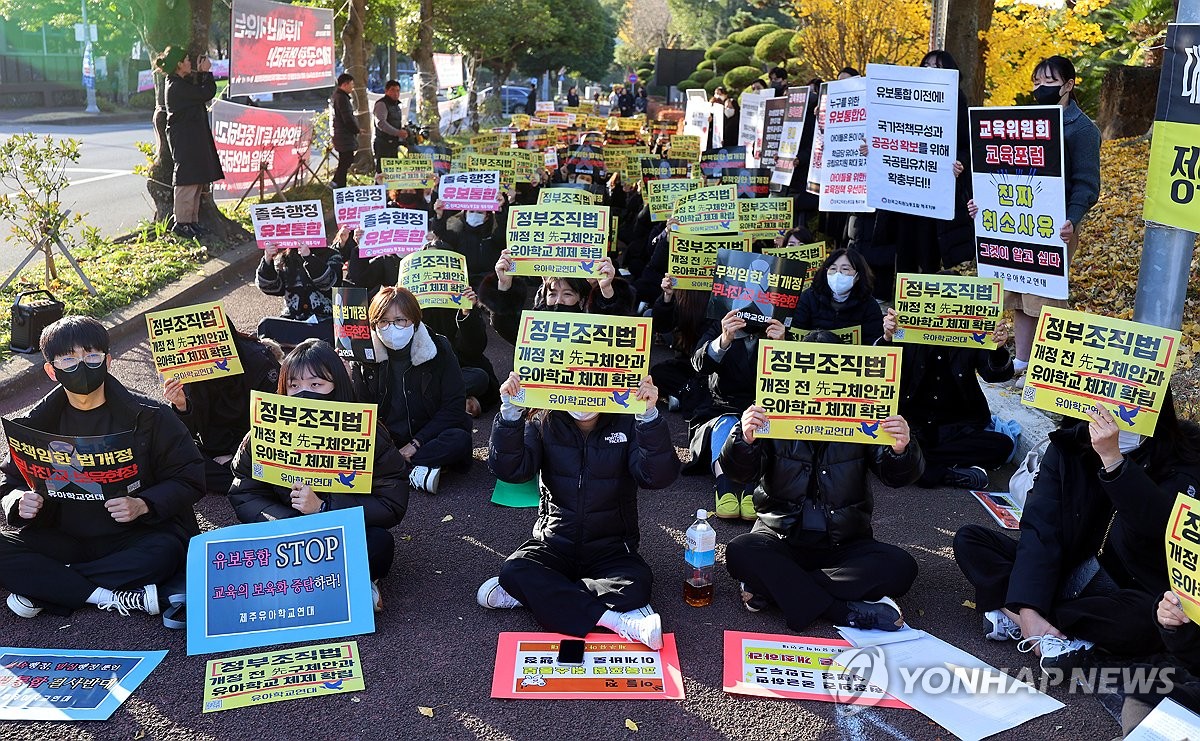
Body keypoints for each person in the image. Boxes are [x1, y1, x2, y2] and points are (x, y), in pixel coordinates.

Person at [953, 391, 1200, 673]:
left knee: (1148, 622)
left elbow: (1159, 528)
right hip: (1067, 573)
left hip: (1128, 590)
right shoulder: (1069, 445)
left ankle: (1021, 616)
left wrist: (1114, 461)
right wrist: (1028, 610)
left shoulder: (1183, 457)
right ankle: (1037, 626)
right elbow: (1041, 527)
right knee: (971, 541)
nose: (1108, 410)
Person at [0, 316, 205, 619]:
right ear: (51, 371)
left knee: (165, 553)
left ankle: (49, 586)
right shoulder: (34, 423)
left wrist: (143, 504)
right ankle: (107, 594)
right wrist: (17, 501)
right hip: (63, 536)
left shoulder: (151, 415)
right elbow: (8, 483)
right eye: (68, 360)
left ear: (108, 360)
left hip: (135, 535)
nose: (81, 366)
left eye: (92, 356)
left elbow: (190, 476)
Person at [720, 332, 925, 631]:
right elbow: (739, 473)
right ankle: (841, 611)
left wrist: (902, 449)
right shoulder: (771, 409)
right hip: (780, 535)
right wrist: (745, 439)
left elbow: (896, 477)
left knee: (902, 568)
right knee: (740, 551)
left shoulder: (865, 412)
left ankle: (776, 587)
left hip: (844, 542)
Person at [478, 372, 681, 649]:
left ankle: (541, 595)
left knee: (637, 584)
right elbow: (511, 471)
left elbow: (657, 477)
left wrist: (649, 416)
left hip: (611, 548)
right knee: (513, 570)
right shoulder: (542, 418)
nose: (584, 391)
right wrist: (511, 413)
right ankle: (616, 620)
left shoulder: (628, 419)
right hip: (554, 543)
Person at [228, 339, 409, 612]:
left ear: (338, 386)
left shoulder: (368, 433)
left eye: (316, 385)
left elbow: (390, 502)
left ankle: (318, 582)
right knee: (237, 548)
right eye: (294, 386)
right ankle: (342, 582)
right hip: (287, 535)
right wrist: (289, 522)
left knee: (379, 545)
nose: (304, 394)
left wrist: (324, 509)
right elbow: (245, 491)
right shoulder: (264, 432)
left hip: (343, 534)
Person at [969, 55, 1101, 387]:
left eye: (1049, 83)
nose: (1040, 89)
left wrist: (1072, 219)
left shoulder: (1082, 129)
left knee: (1048, 298)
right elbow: (1000, 173)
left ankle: (1050, 374)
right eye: (1036, 82)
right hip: (1015, 224)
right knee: (1017, 294)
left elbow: (1087, 183)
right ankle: (1022, 362)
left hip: (1056, 229)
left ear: (1069, 85)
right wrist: (983, 207)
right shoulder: (1020, 122)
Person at [351, 286, 472, 494]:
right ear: (374, 324)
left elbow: (453, 407)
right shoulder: (363, 354)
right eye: (384, 322)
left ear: (414, 321)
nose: (392, 328)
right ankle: (414, 470)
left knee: (459, 439)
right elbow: (361, 412)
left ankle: (393, 468)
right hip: (387, 439)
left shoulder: (439, 347)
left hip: (428, 435)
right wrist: (347, 377)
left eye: (400, 320)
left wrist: (416, 444)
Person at [881, 307, 1015, 489]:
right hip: (913, 424)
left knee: (1003, 445)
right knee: (879, 442)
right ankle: (943, 473)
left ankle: (920, 465)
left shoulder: (972, 332)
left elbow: (995, 375)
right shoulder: (906, 330)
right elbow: (880, 371)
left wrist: (997, 349)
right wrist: (888, 338)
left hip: (957, 426)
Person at [161, 321, 282, 494]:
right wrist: (181, 405)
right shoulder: (190, 368)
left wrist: (236, 453)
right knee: (172, 453)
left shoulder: (259, 361)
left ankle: (244, 480)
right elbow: (185, 432)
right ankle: (249, 481)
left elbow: (276, 420)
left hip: (255, 443)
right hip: (213, 446)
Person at [156, 45, 224, 238]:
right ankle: (182, 223)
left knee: (196, 178)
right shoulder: (176, 85)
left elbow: (200, 93)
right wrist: (206, 72)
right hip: (184, 138)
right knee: (187, 178)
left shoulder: (181, 82)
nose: (189, 63)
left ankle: (192, 222)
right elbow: (205, 93)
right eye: (186, 60)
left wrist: (202, 74)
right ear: (179, 64)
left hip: (191, 136)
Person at [255, 229, 346, 349]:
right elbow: (272, 288)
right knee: (266, 325)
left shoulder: (332, 255)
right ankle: (302, 346)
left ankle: (301, 346)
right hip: (295, 321)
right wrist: (267, 260)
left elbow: (331, 283)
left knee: (334, 330)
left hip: (323, 321)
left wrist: (309, 258)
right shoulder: (285, 258)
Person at [792, 248, 885, 345]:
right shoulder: (808, 297)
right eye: (833, 269)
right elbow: (795, 332)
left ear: (857, 276)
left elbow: (874, 342)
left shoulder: (869, 304)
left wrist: (886, 337)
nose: (837, 274)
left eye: (845, 269)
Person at [372, 80, 410, 172]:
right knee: (381, 172)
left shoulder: (396, 105)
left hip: (393, 143)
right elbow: (381, 123)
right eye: (392, 90)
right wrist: (397, 133)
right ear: (386, 91)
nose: (395, 93)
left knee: (392, 172)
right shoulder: (381, 104)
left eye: (398, 90)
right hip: (383, 143)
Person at [330, 73, 360, 189]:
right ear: (345, 84)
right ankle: (339, 185)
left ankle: (336, 182)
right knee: (346, 160)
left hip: (341, 134)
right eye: (351, 85)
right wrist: (356, 130)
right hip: (343, 135)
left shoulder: (338, 96)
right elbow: (347, 118)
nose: (353, 88)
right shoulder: (342, 98)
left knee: (345, 161)